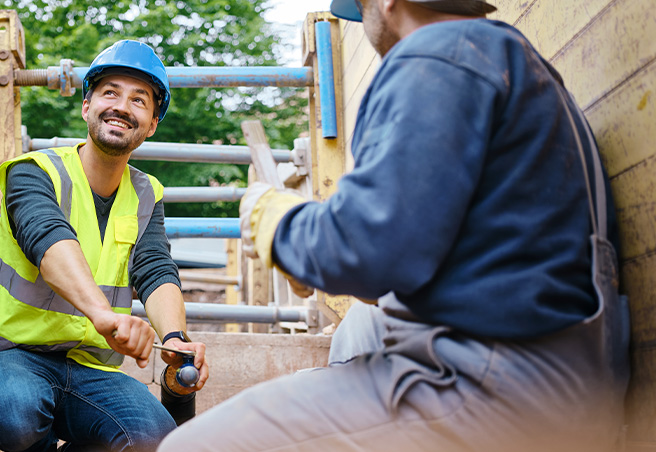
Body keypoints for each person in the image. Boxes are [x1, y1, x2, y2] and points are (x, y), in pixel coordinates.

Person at [160, 0, 629, 451]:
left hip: (492, 387)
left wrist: (275, 222)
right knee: (355, 331)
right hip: (561, 373)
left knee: (189, 446)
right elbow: (399, 263)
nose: (362, 21)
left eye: (360, 7)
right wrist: (313, 259)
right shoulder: (500, 54)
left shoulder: (433, 57)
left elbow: (366, 253)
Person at [0, 40, 209, 452]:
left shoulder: (146, 195)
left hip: (90, 369)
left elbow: (155, 268)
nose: (123, 106)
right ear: (87, 106)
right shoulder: (34, 172)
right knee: (16, 416)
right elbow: (47, 238)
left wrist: (175, 338)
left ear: (152, 123)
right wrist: (104, 317)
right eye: (110, 93)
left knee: (153, 438)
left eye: (139, 100)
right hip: (13, 357)